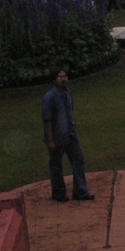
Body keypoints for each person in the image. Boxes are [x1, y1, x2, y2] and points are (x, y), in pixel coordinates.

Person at [42, 70, 95, 202]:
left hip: (70, 135)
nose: (63, 79)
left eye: (65, 76)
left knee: (79, 160)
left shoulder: (68, 93)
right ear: (55, 80)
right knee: (56, 166)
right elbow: (47, 120)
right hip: (57, 137)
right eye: (60, 77)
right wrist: (50, 140)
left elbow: (69, 112)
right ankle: (59, 194)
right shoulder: (49, 97)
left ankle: (80, 192)